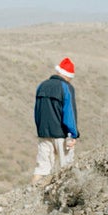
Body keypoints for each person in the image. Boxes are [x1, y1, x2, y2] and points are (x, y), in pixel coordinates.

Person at [32, 57, 80, 185]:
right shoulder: (66, 87)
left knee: (42, 168)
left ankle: (30, 194)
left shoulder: (41, 85)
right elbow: (69, 113)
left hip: (43, 133)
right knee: (66, 167)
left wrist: (40, 129)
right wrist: (73, 134)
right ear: (68, 76)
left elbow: (36, 111)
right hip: (61, 135)